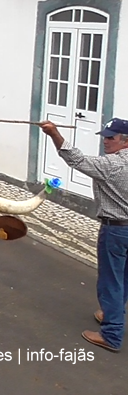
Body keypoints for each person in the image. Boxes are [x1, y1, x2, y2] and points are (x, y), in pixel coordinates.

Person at [40, 117, 128, 353]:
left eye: (111, 138)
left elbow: (75, 159)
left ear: (126, 142)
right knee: (124, 277)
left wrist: (54, 134)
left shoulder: (112, 166)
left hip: (116, 229)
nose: (105, 142)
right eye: (105, 136)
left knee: (111, 281)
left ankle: (111, 334)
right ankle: (113, 312)